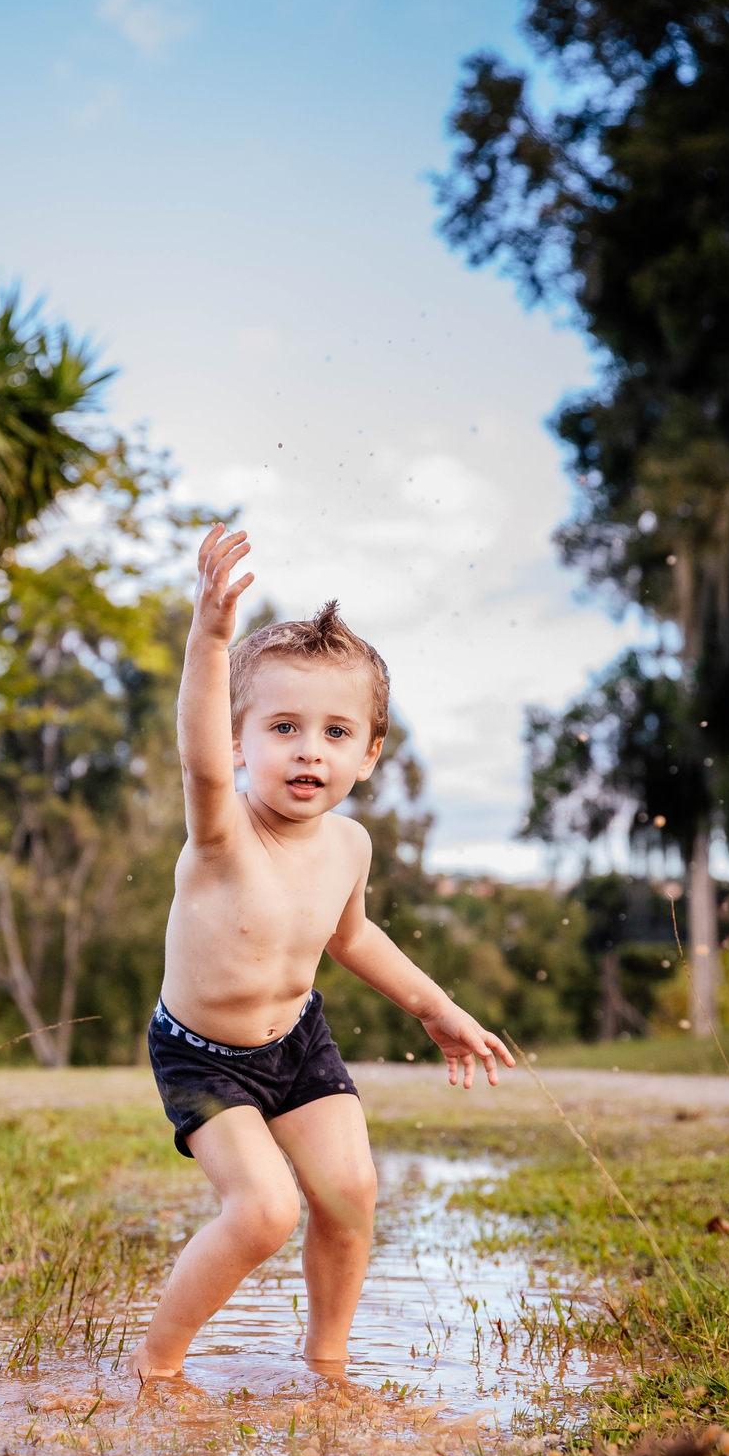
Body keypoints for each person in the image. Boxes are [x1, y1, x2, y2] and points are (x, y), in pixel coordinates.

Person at [131, 524, 513, 1381]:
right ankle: (156, 1367)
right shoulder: (223, 831)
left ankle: (328, 1364)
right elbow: (194, 759)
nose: (310, 748)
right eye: (283, 726)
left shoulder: (350, 847)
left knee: (351, 1193)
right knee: (263, 1211)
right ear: (240, 742)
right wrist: (210, 636)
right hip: (202, 1057)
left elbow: (352, 938)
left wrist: (438, 1010)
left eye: (338, 731)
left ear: (370, 754)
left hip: (298, 1042)